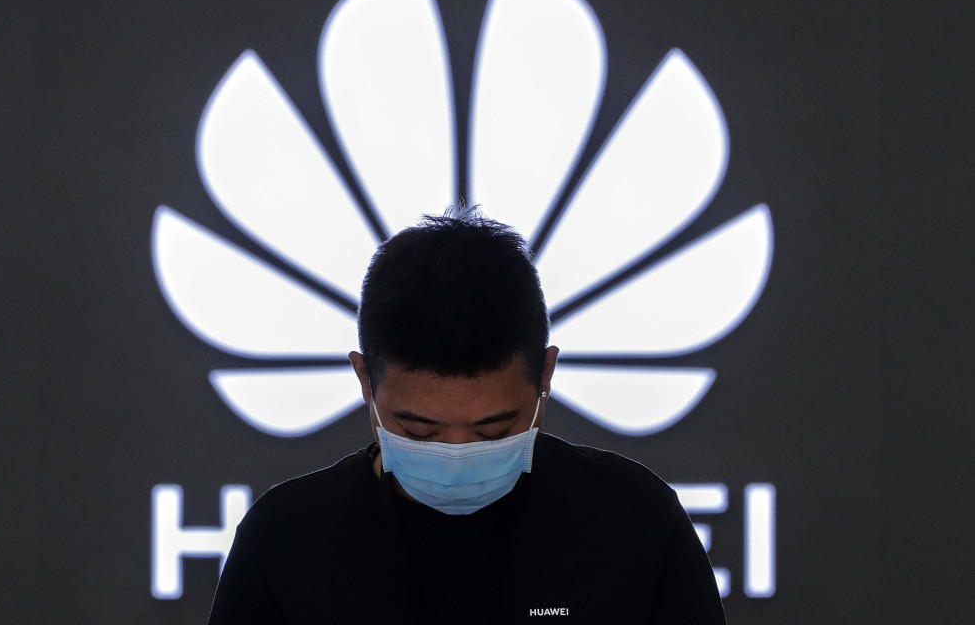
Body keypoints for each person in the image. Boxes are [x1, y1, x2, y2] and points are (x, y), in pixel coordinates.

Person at [208, 206, 726, 624]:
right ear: (366, 380)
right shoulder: (287, 541)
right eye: (420, 431)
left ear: (545, 375)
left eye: (492, 430)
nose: (456, 455)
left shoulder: (633, 522)